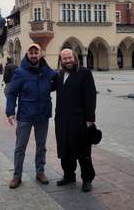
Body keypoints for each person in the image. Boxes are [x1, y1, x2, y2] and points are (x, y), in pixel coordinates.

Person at [5, 44, 57, 189]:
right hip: (25, 115)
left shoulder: (48, 71)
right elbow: (12, 93)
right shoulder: (20, 72)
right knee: (20, 147)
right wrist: (10, 112)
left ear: (41, 54)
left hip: (42, 115)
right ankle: (17, 175)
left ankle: (40, 172)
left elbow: (60, 78)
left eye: (36, 52)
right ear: (27, 54)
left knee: (41, 146)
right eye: (31, 53)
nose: (34, 55)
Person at [54, 48, 97, 192]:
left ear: (75, 57)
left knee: (83, 150)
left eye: (70, 58)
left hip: (80, 120)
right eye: (64, 59)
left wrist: (90, 120)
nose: (68, 61)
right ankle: (69, 175)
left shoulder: (84, 73)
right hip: (62, 119)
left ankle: (87, 179)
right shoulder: (59, 75)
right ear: (61, 61)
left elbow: (91, 98)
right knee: (65, 149)